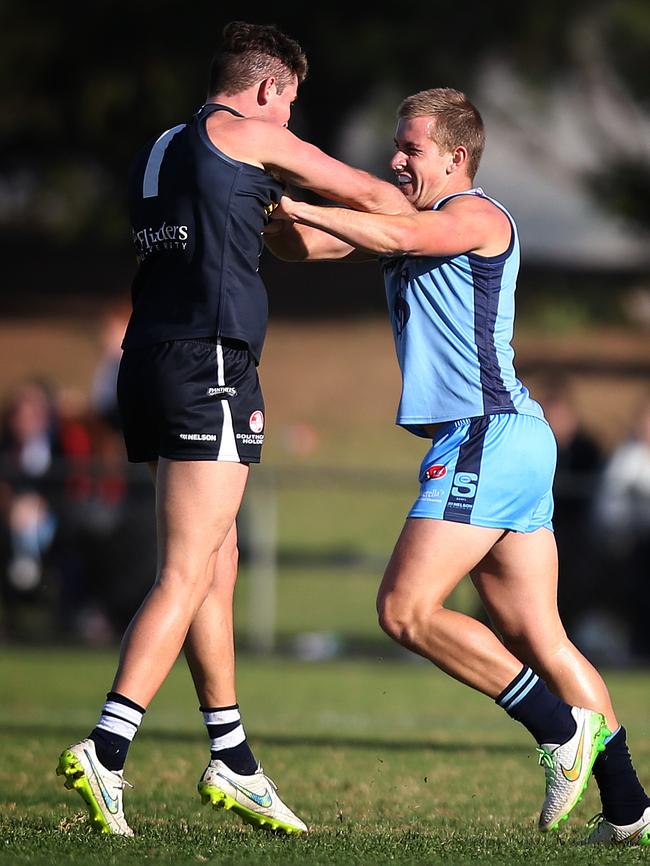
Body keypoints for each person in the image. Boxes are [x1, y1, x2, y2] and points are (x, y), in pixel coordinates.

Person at [56, 21, 412, 838]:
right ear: (267, 90)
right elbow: (359, 189)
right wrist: (423, 211)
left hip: (149, 361)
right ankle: (108, 748)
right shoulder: (247, 132)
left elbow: (283, 237)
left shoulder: (165, 146)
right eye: (290, 103)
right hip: (209, 366)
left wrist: (360, 237)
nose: (288, 122)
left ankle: (234, 758)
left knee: (218, 560)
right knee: (185, 573)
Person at [266, 87, 650, 845]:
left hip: (487, 435)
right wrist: (267, 215)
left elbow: (398, 239)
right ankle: (631, 803)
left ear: (456, 157)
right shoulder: (405, 223)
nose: (396, 159)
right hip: (506, 438)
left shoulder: (478, 215)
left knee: (405, 610)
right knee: (540, 633)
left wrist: (302, 202)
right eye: (397, 146)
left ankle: (557, 731)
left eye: (411, 149)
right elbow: (307, 247)